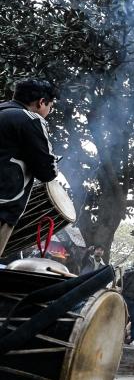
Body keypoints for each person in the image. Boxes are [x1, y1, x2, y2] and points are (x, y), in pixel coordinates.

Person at [0, 78, 59, 256]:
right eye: (50, 106)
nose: (49, 111)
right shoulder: (31, 119)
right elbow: (48, 171)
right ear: (42, 102)